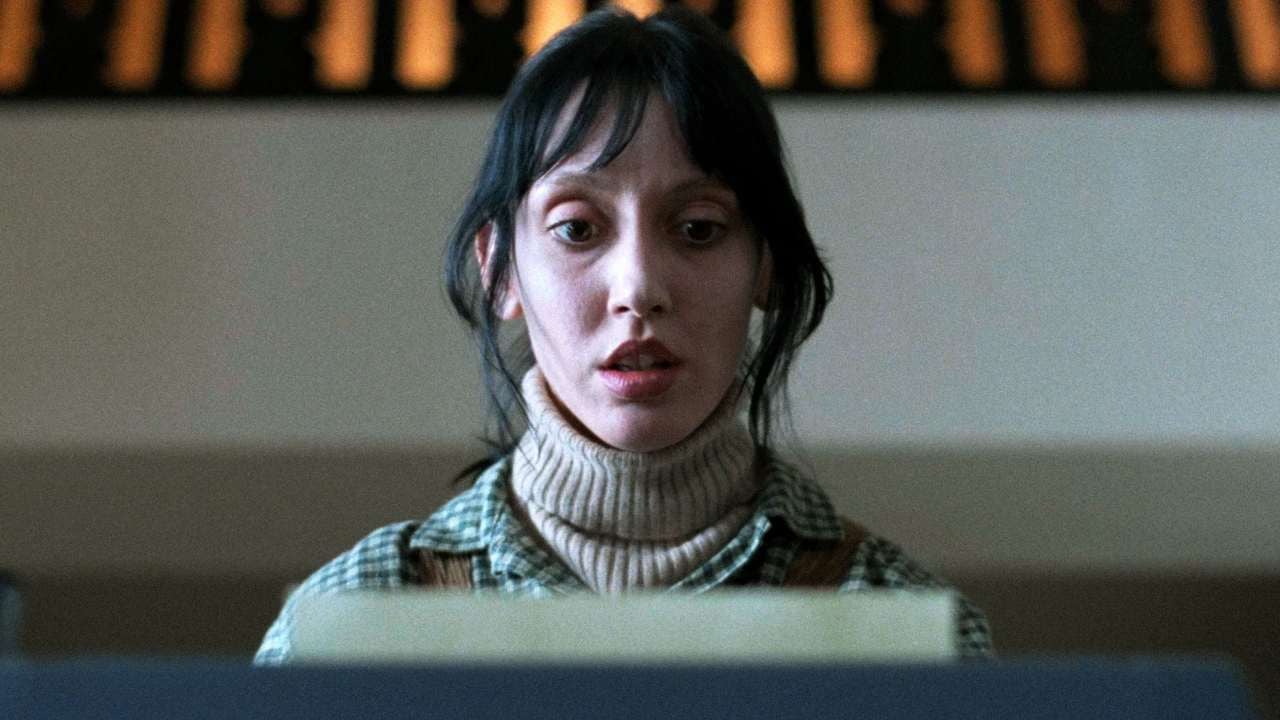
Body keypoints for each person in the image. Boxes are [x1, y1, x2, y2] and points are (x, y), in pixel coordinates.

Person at [255, 5, 991, 664]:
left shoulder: (901, 629)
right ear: (500, 269)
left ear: (764, 263)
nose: (638, 287)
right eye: (577, 229)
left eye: (698, 229)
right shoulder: (359, 619)